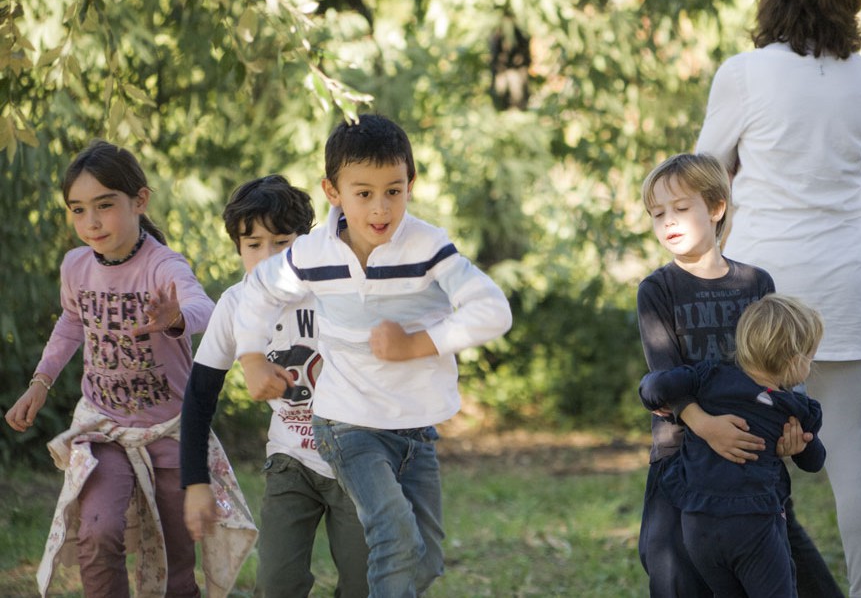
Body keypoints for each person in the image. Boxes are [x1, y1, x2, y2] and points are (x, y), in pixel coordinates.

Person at [232, 114, 514, 597]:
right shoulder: (313, 253)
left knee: (423, 560)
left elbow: (493, 311)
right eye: (363, 193)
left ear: (411, 184)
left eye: (394, 190)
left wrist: (415, 345)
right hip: (347, 425)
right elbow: (258, 290)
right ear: (333, 191)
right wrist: (252, 358)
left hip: (416, 430)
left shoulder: (428, 246)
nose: (380, 208)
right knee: (395, 537)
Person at [695, 0, 861, 596]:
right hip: (845, 285)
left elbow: (704, 181)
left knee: (748, 453)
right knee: (853, 458)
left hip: (762, 293)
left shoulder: (745, 74)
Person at [3, 140, 220, 597]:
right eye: (78, 210)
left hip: (168, 431)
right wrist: (40, 383)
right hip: (104, 427)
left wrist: (175, 318)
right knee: (97, 531)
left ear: (139, 200)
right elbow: (70, 322)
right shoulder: (76, 266)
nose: (91, 222)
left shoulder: (164, 265)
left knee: (177, 553)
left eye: (104, 206)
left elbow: (205, 308)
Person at [636, 152, 841, 597]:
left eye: (680, 207)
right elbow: (665, 375)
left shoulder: (755, 284)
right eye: (657, 213)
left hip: (752, 462)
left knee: (783, 576)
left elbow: (783, 365)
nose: (667, 220)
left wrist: (790, 430)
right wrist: (706, 427)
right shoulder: (657, 289)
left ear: (716, 208)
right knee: (675, 575)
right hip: (682, 454)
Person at [180, 174, 369, 597]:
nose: (268, 258)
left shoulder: (334, 290)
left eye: (282, 243)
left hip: (358, 459)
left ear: (305, 243)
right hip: (291, 461)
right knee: (277, 584)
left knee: (366, 584)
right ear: (238, 248)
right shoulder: (234, 304)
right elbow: (198, 397)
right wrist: (195, 483)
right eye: (254, 245)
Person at [639, 294, 827, 598]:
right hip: (755, 527)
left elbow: (651, 387)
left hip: (698, 525)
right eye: (811, 357)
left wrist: (668, 403)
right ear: (795, 362)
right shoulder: (796, 408)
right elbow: (815, 461)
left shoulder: (708, 377)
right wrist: (800, 445)